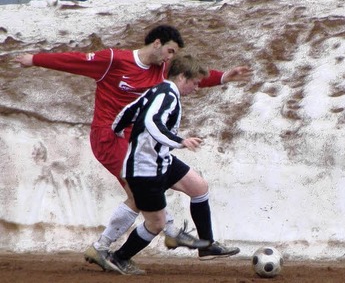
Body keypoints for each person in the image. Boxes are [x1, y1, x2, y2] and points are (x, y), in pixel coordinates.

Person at [14, 25, 252, 275]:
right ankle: (108, 246)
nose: (171, 58)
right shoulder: (114, 60)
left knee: (197, 186)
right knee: (139, 198)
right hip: (110, 138)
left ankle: (199, 243)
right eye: (170, 51)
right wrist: (34, 60)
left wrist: (224, 76)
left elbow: (189, 78)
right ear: (157, 43)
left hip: (143, 143)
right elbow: (75, 61)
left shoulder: (163, 71)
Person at [104, 55, 236, 275]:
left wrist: (117, 129)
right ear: (182, 77)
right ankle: (118, 258)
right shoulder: (168, 95)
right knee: (155, 225)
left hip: (162, 160)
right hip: (145, 168)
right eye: (194, 83)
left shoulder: (158, 90)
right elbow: (151, 121)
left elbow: (129, 111)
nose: (196, 88)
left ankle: (207, 245)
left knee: (199, 188)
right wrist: (180, 141)